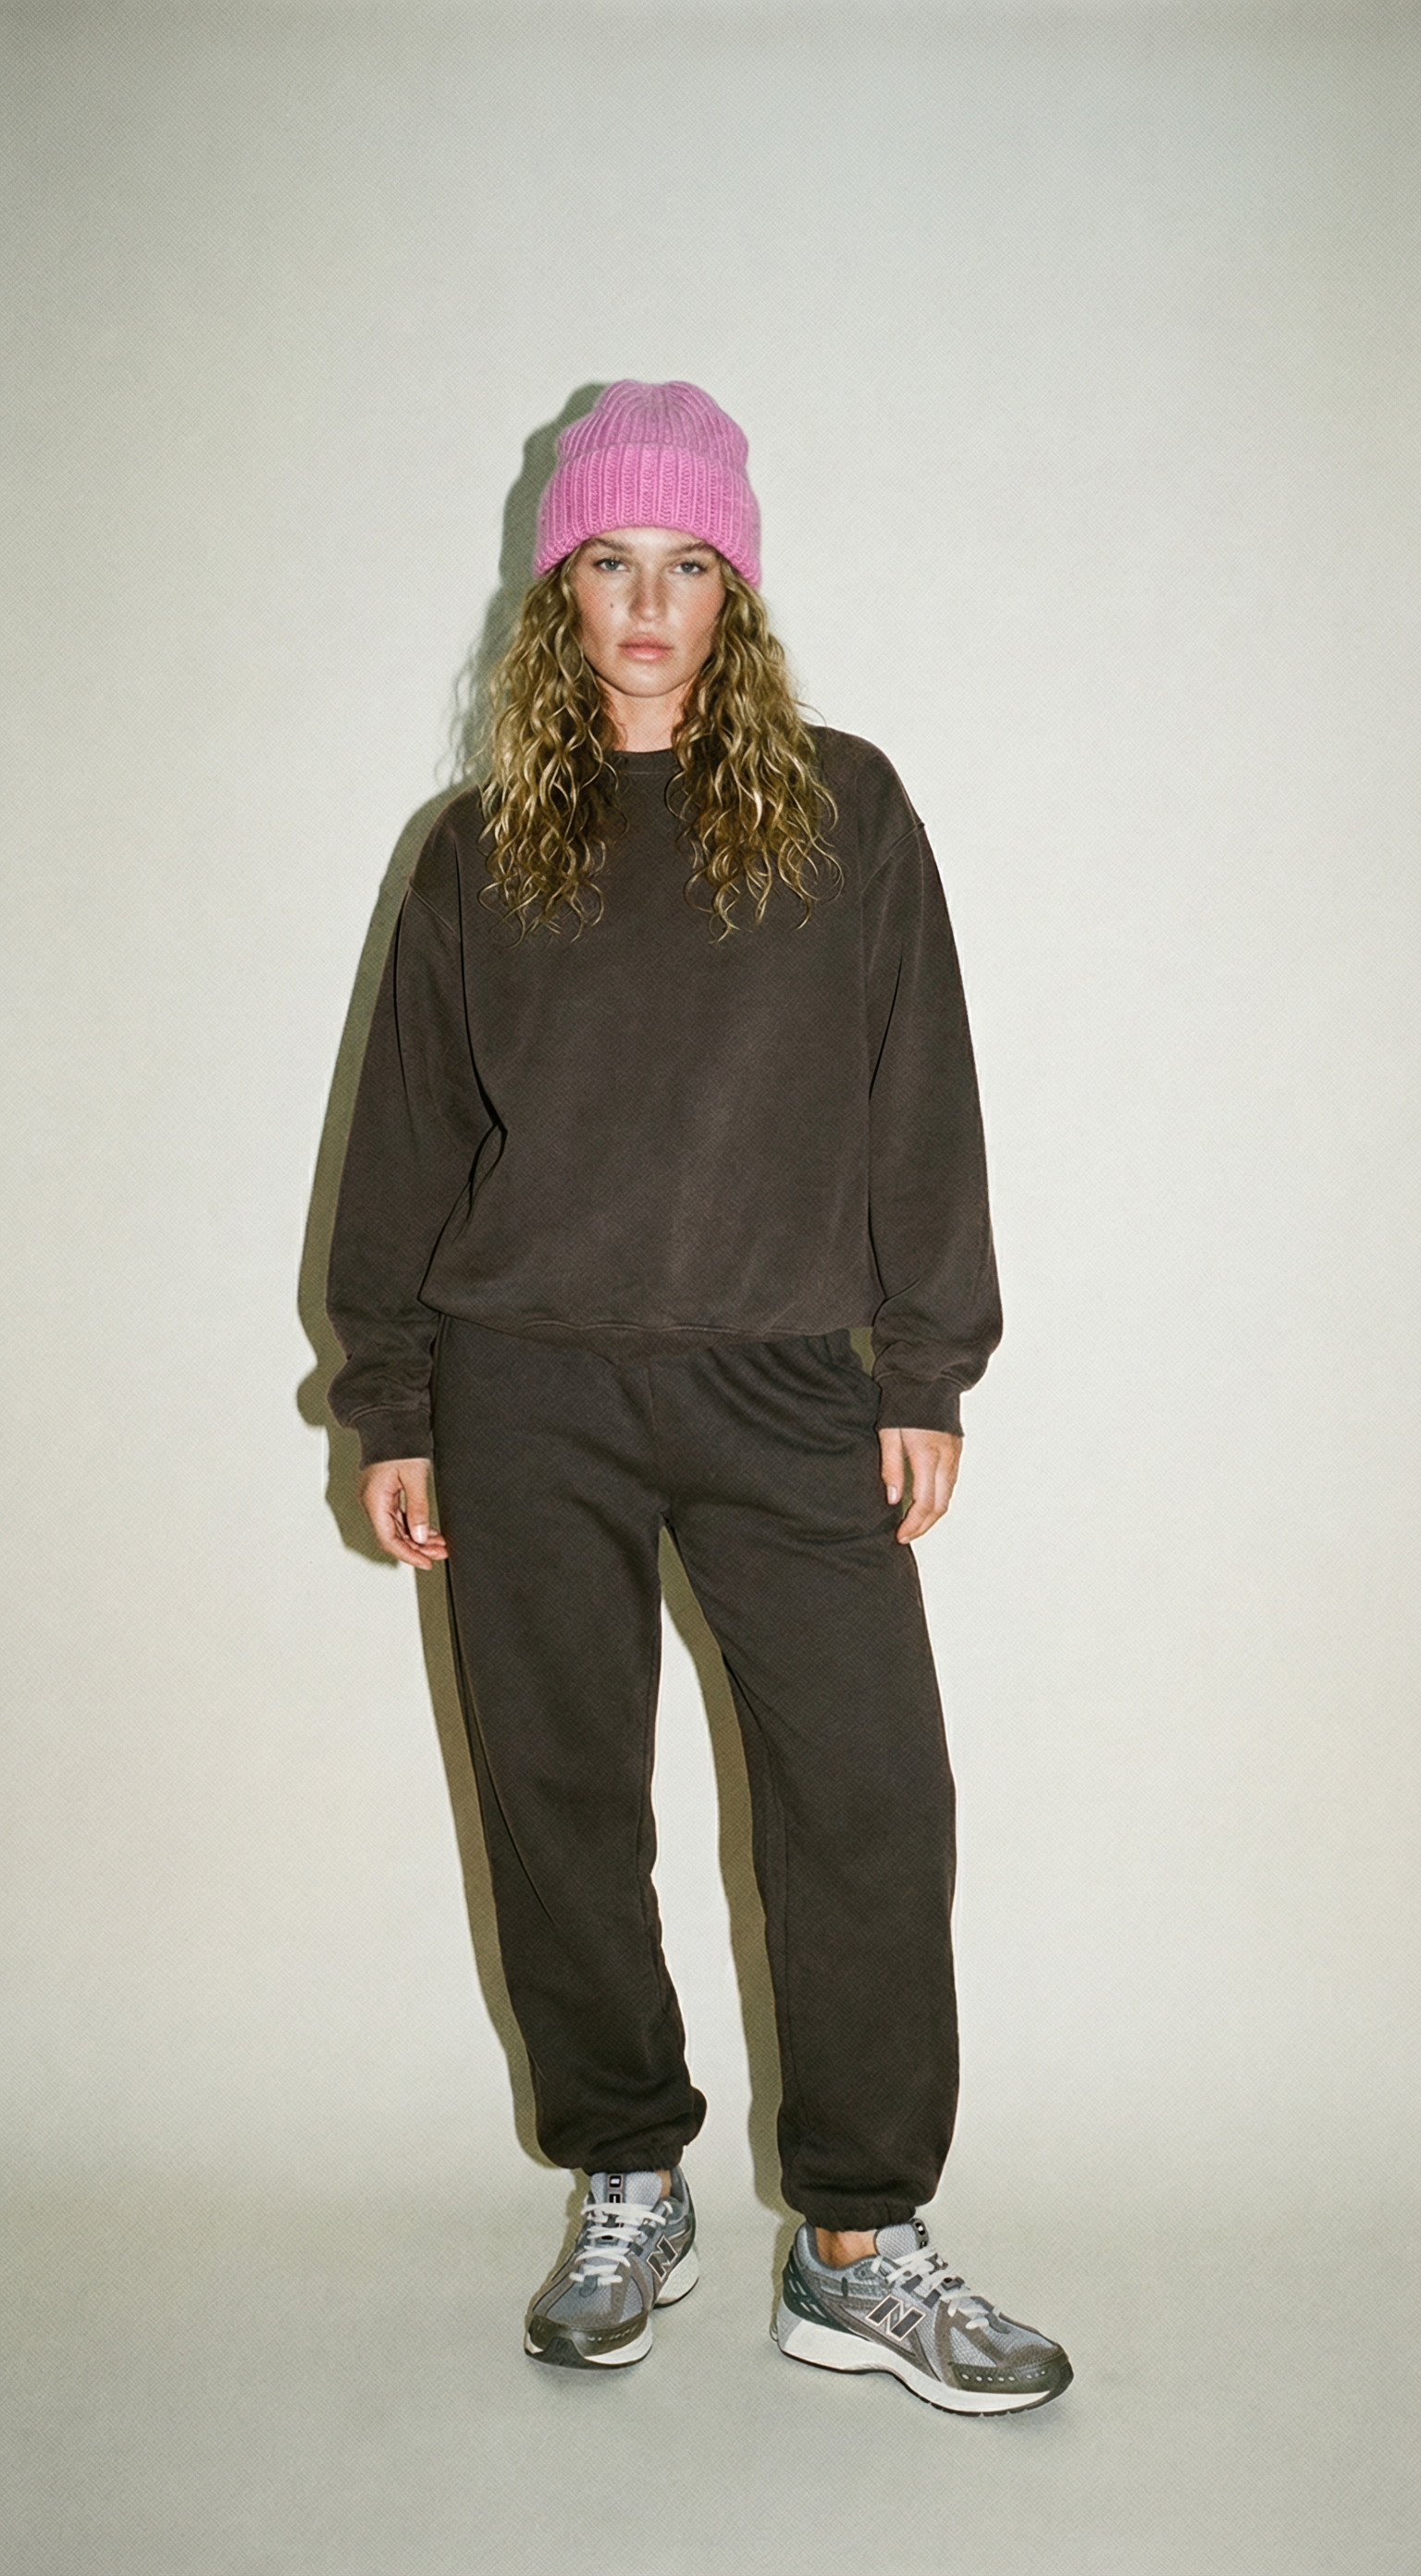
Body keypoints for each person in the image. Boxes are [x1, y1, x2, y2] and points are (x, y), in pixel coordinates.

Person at [326, 380, 1071, 2415]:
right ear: (557, 593)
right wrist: (393, 1397)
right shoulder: (480, 850)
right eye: (609, 563)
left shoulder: (845, 811)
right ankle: (628, 2178)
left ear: (736, 593)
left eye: (686, 565)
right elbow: (407, 1140)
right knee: (562, 1801)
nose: (646, 604)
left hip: (783, 1384)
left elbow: (920, 1089)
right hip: (525, 1389)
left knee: (871, 1799)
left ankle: (858, 2242)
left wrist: (924, 1358)